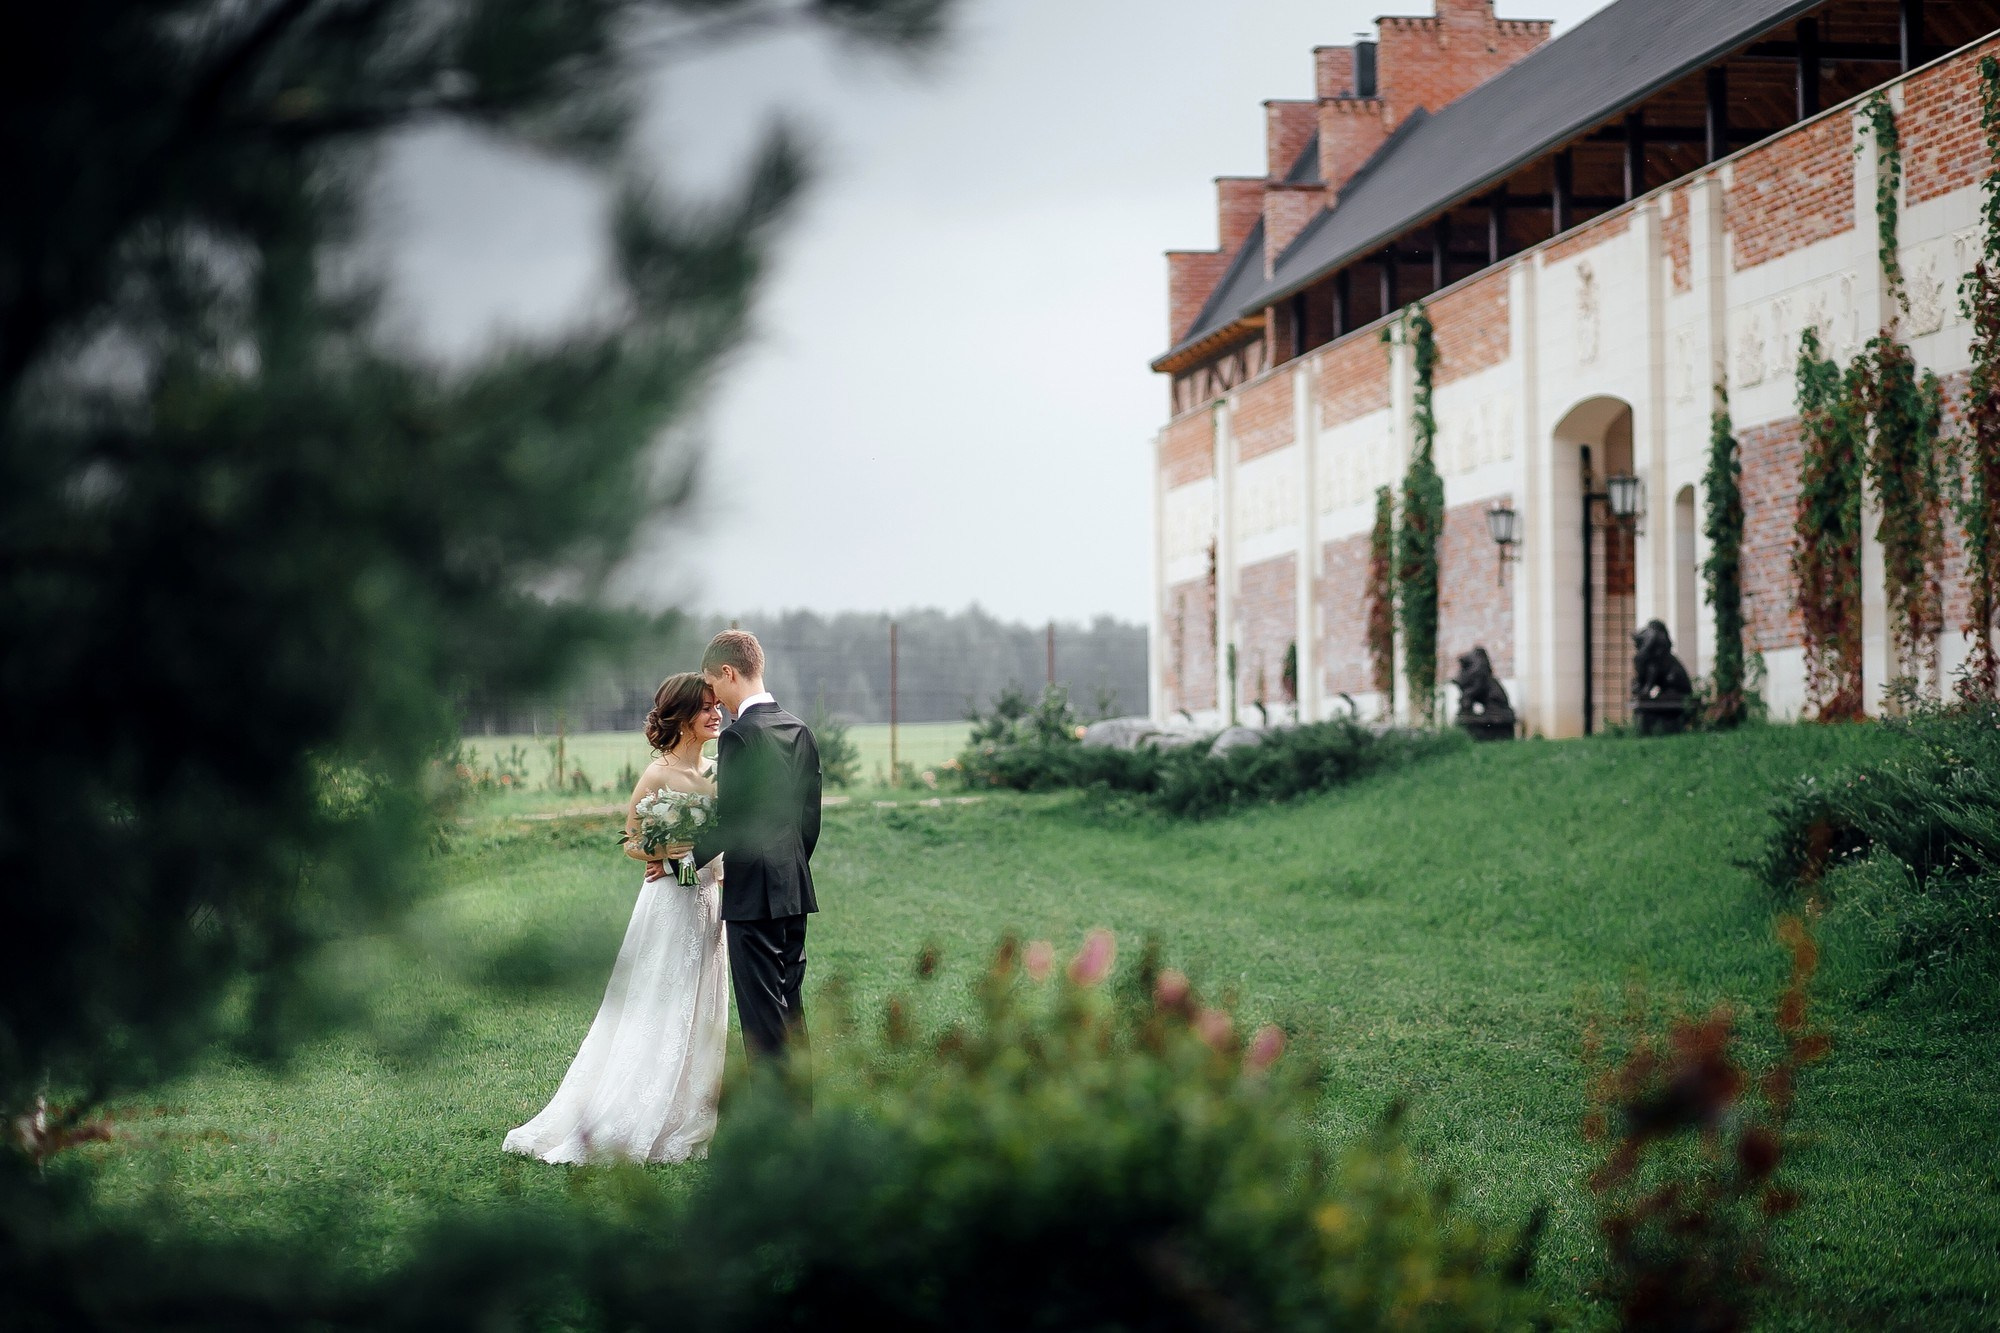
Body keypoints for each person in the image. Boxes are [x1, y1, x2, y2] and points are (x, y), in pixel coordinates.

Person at [501, 673, 729, 1163]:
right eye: (706, 708)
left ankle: (688, 1116)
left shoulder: (717, 773)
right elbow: (631, 841)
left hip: (710, 901)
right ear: (682, 718)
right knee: (658, 1002)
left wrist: (716, 872)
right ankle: (632, 1110)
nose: (717, 714)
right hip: (669, 906)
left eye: (717, 706)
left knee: (701, 1005)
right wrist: (668, 852)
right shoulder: (657, 775)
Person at [694, 629, 822, 1066]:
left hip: (752, 897)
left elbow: (732, 822)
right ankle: (799, 1108)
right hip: (794, 891)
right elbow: (809, 821)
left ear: (728, 672)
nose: (714, 700)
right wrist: (789, 869)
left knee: (762, 1022)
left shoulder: (740, 737)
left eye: (712, 685)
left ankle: (771, 1110)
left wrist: (681, 862)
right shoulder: (799, 729)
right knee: (791, 1013)